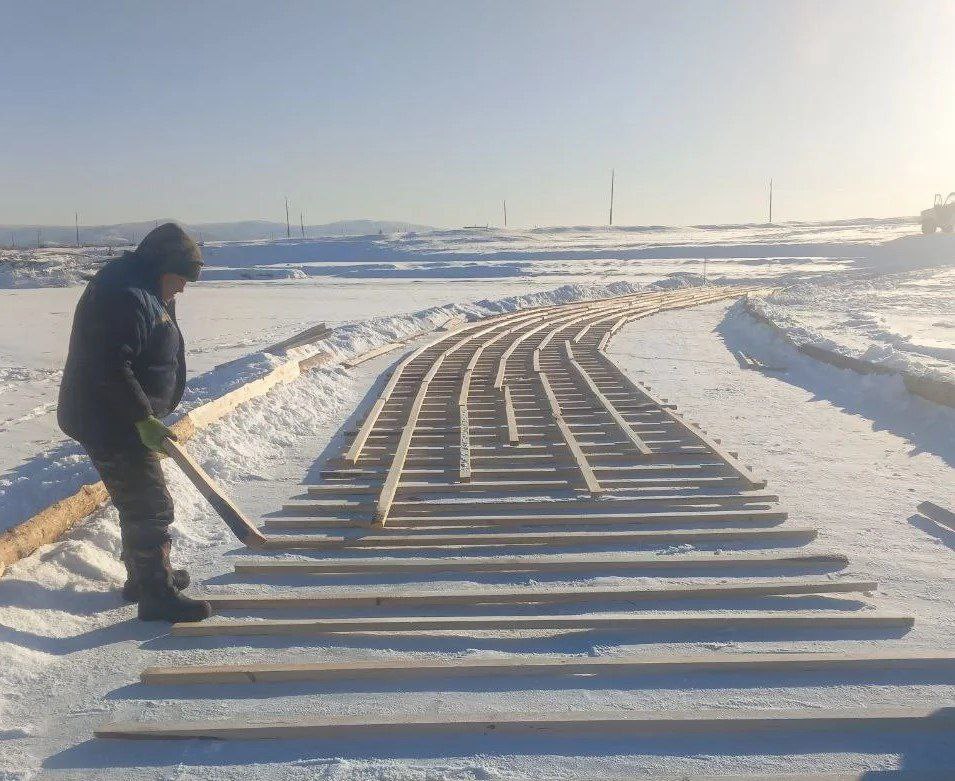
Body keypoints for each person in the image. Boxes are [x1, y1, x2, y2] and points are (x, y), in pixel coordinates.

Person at [58, 223, 211, 622]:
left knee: (138, 500)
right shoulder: (123, 295)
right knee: (149, 504)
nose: (181, 289)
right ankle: (155, 594)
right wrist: (142, 418)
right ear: (163, 267)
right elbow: (107, 365)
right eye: (179, 279)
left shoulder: (144, 286)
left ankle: (143, 578)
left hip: (118, 415)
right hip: (111, 418)